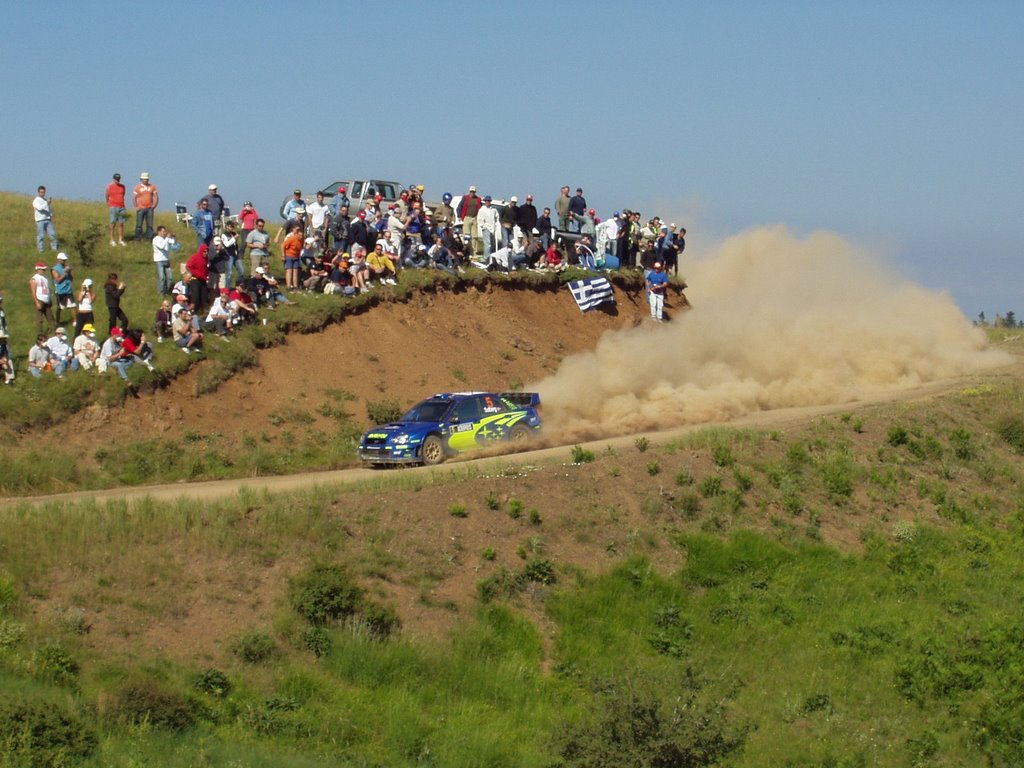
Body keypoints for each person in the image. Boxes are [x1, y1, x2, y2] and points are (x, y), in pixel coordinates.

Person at [152, 225, 181, 295]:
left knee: (170, 278)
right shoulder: (156, 239)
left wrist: (173, 236)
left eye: (165, 231)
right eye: (163, 231)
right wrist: (167, 238)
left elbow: (174, 242)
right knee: (162, 278)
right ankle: (161, 293)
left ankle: (167, 290)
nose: (164, 233)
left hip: (166, 260)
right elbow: (161, 246)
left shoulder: (166, 239)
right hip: (159, 260)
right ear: (159, 232)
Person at [29, 262, 55, 335]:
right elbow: (33, 291)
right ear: (38, 269)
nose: (44, 271)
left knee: (50, 317)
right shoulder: (35, 278)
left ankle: (54, 330)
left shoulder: (45, 278)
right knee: (39, 318)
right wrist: (36, 301)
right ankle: (40, 333)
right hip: (40, 299)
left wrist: (50, 299)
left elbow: (48, 289)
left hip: (47, 299)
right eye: (43, 269)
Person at [133, 172, 159, 241]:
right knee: (139, 225)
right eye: (144, 179)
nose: (145, 180)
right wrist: (136, 206)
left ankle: (149, 239)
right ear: (141, 179)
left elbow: (156, 196)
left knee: (150, 225)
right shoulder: (138, 187)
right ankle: (137, 238)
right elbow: (134, 197)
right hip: (141, 208)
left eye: (146, 179)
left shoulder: (152, 186)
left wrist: (154, 205)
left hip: (150, 208)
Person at [185, 244, 211, 315]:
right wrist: (193, 273)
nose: (205, 253)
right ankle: (192, 312)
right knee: (195, 297)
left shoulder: (206, 258)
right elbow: (188, 266)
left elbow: (206, 269)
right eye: (204, 251)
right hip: (195, 279)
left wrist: (207, 276)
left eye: (207, 251)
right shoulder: (195, 257)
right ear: (201, 251)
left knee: (204, 296)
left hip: (203, 280)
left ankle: (203, 312)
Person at [51, 253, 76, 327]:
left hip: (68, 290)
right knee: (60, 307)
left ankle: (75, 321)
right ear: (59, 260)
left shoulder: (66, 267)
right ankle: (57, 322)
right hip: (60, 291)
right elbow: (58, 280)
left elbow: (71, 279)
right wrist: (65, 273)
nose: (64, 261)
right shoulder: (55, 269)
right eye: (63, 260)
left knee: (73, 306)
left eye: (65, 260)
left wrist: (70, 272)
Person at [457, 185, 482, 256]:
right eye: (471, 192)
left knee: (474, 236)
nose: (472, 193)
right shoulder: (465, 198)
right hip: (466, 218)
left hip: (475, 218)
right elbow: (459, 207)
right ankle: (466, 252)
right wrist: (459, 216)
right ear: (469, 191)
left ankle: (474, 252)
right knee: (466, 236)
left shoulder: (478, 199)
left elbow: (480, 208)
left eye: (473, 192)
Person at [33, 185, 58, 252]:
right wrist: (47, 203)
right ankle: (41, 250)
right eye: (41, 192)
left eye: (43, 192)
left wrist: (51, 215)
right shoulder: (36, 200)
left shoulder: (45, 200)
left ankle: (54, 249)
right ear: (38, 192)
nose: (43, 194)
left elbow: (49, 209)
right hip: (40, 220)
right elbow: (40, 208)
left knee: (53, 234)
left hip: (48, 219)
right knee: (40, 236)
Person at [105, 172, 127, 246]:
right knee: (113, 223)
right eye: (116, 179)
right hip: (113, 206)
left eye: (118, 179)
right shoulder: (109, 186)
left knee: (121, 223)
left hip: (122, 206)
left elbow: (123, 194)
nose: (117, 180)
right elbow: (107, 195)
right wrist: (108, 203)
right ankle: (111, 239)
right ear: (114, 179)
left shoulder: (123, 186)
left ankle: (120, 239)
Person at [281, 221, 304, 290]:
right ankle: (288, 286)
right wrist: (283, 255)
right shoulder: (291, 238)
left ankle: (295, 286)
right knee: (289, 270)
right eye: (299, 235)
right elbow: (283, 245)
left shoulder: (302, 240)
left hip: (296, 256)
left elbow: (301, 248)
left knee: (295, 271)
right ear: (297, 234)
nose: (300, 237)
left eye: (302, 235)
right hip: (289, 255)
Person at [477, 195, 500, 261]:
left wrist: (495, 225)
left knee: (492, 244)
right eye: (486, 201)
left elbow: (497, 218)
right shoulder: (482, 210)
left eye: (489, 201)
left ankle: (491, 257)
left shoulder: (493, 210)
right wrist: (483, 226)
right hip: (486, 228)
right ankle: (486, 258)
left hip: (493, 229)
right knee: (488, 244)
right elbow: (479, 219)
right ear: (485, 202)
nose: (488, 202)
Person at [0, 295, 14, 384]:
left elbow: (4, 323)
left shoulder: (1, 311)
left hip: (2, 332)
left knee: (8, 359)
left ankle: (9, 379)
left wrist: (4, 357)